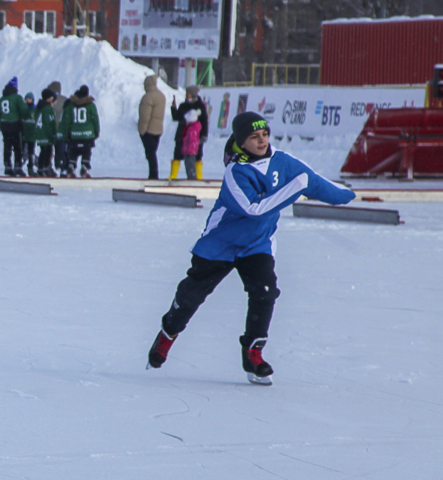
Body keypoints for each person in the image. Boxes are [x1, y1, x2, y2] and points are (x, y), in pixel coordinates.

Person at [146, 112, 356, 384]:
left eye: (265, 135)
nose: (261, 141)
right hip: (221, 243)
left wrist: (347, 195)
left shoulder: (283, 162)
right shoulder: (236, 171)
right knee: (191, 295)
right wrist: (294, 189)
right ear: (241, 142)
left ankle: (253, 352)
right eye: (254, 137)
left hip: (257, 244)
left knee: (265, 291)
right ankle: (167, 334)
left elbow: (314, 182)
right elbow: (253, 209)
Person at [58, 85, 99, 178]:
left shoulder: (72, 106)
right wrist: (96, 131)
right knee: (86, 152)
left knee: (73, 152)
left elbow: (68, 120)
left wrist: (67, 132)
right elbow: (95, 119)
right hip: (87, 134)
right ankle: (84, 167)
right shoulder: (91, 106)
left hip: (75, 135)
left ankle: (71, 167)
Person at [170, 85, 210, 180]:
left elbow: (204, 122)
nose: (187, 96)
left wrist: (204, 135)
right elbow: (177, 117)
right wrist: (173, 108)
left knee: (197, 155)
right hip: (182, 134)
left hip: (195, 136)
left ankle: (199, 177)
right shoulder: (183, 105)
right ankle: (173, 175)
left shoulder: (200, 107)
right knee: (177, 154)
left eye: (188, 94)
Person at [138, 73, 167, 179]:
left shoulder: (148, 97)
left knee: (150, 155)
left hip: (149, 130)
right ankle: (154, 174)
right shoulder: (161, 95)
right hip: (158, 129)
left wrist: (142, 130)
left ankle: (153, 175)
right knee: (153, 153)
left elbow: (145, 116)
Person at [0, 78, 26, 176]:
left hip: (4, 125)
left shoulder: (2, 99)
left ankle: (7, 166)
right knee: (17, 146)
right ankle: (18, 166)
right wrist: (24, 118)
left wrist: (1, 126)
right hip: (15, 124)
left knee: (7, 146)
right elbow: (24, 109)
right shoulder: (17, 98)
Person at [32, 88, 59, 177]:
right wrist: (53, 134)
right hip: (46, 133)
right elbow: (50, 123)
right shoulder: (48, 109)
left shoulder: (39, 107)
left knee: (43, 151)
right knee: (48, 151)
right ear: (50, 99)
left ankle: (41, 168)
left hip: (39, 132)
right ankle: (46, 169)